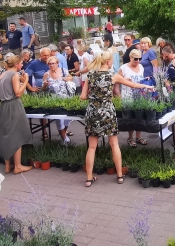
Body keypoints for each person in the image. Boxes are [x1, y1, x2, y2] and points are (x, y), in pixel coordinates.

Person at [81, 51, 153, 187]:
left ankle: (89, 178)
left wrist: (95, 96)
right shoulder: (112, 76)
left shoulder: (89, 75)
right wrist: (148, 86)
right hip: (108, 111)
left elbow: (83, 97)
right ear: (108, 62)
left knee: (91, 147)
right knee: (114, 144)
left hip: (92, 112)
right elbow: (134, 85)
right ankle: (120, 175)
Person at [0, 54, 33, 175]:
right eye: (21, 63)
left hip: (3, 106)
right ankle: (18, 166)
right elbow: (18, 93)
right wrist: (26, 81)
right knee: (17, 134)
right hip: (13, 105)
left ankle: (7, 166)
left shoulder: (2, 74)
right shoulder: (14, 75)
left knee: (5, 134)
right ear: (17, 64)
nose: (22, 65)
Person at [119, 48, 149, 146]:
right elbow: (116, 80)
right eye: (135, 59)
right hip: (128, 96)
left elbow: (140, 79)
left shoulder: (141, 66)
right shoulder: (123, 68)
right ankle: (130, 138)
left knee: (139, 118)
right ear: (130, 57)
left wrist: (146, 80)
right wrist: (124, 79)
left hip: (139, 96)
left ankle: (138, 137)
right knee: (129, 118)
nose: (137, 61)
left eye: (139, 59)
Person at [43, 55, 75, 142]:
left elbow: (71, 78)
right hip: (55, 101)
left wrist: (66, 78)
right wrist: (45, 85)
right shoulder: (46, 74)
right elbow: (43, 89)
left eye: (53, 63)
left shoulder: (63, 71)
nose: (51, 65)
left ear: (57, 63)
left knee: (66, 119)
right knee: (59, 120)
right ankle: (64, 139)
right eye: (49, 64)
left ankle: (64, 133)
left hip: (66, 99)